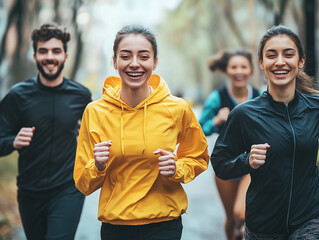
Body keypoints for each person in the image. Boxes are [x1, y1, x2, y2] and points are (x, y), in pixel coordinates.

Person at [73, 25, 209, 240]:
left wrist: (177, 168)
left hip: (164, 223)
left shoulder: (177, 108)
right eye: (125, 56)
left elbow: (198, 157)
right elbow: (82, 183)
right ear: (115, 62)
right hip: (116, 225)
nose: (134, 63)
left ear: (154, 62)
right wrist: (97, 165)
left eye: (143, 56)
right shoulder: (95, 111)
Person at [211, 25, 319, 240]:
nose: (280, 62)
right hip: (263, 227)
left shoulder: (315, 107)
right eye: (271, 55)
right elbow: (220, 163)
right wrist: (246, 161)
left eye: (288, 54)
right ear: (261, 63)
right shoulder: (244, 114)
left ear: (301, 62)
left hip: (309, 219)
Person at [0, 23, 92, 239]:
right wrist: (13, 141)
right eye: (43, 51)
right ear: (35, 56)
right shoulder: (18, 96)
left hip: (68, 189)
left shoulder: (81, 96)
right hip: (30, 192)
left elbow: (96, 133)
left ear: (65, 56)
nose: (50, 57)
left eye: (56, 51)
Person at [199, 50, 260, 240]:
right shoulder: (217, 97)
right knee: (231, 220)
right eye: (234, 67)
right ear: (227, 70)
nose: (238, 71)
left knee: (241, 214)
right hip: (225, 163)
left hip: (252, 163)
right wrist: (216, 121)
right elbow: (198, 130)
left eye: (243, 66)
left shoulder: (259, 97)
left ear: (251, 69)